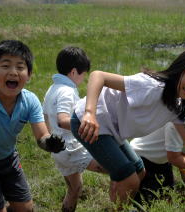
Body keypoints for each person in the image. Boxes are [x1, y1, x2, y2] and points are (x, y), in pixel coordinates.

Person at [70, 49, 185, 207]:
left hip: (113, 133)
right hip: (90, 122)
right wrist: (89, 113)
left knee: (139, 171)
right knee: (129, 178)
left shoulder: (176, 106)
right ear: (179, 70)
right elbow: (99, 76)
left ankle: (118, 205)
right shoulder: (152, 85)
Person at [0, 40, 65, 212]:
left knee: (26, 208)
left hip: (8, 160)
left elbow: (42, 137)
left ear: (29, 74)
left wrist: (50, 143)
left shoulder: (30, 101)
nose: (13, 72)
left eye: (20, 67)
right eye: (6, 66)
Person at [42, 46, 106, 212]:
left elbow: (46, 117)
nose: (83, 79)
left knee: (75, 188)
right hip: (72, 148)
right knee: (118, 170)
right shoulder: (67, 91)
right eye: (83, 74)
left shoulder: (52, 89)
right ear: (73, 72)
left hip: (59, 150)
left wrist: (51, 137)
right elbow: (63, 120)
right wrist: (89, 126)